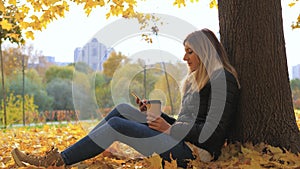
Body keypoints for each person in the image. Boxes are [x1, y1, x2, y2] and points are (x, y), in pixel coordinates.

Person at [11, 28, 240, 168]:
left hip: (195, 155)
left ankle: (57, 161)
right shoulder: (195, 81)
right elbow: (186, 122)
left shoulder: (223, 81)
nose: (184, 57)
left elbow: (212, 136)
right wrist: (158, 117)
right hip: (180, 141)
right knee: (122, 109)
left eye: (190, 51)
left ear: (205, 51)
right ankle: (71, 154)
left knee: (117, 126)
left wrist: (169, 129)